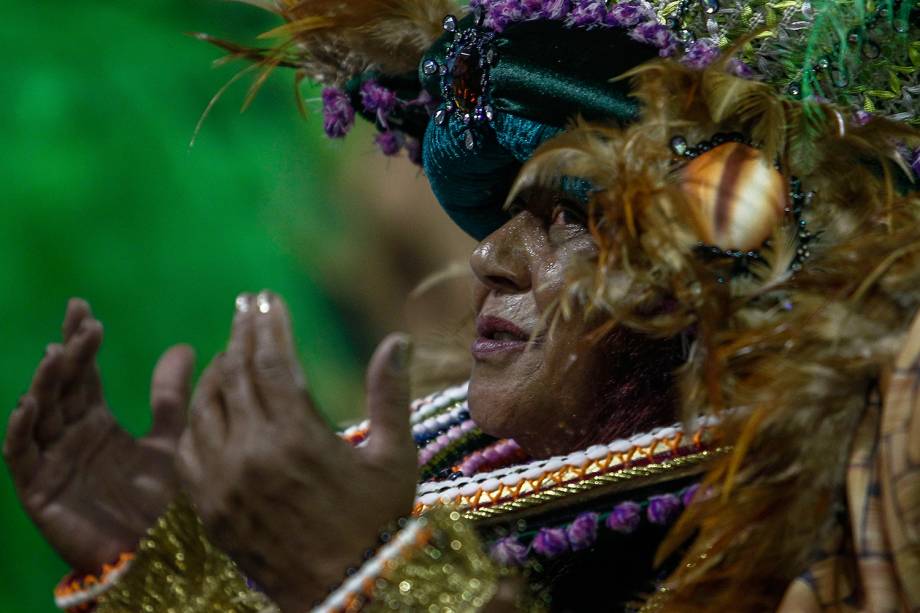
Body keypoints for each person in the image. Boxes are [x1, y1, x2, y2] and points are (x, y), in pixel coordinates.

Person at [6, 0, 920, 611]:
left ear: (746, 262)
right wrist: (168, 576)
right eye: (503, 212)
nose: (487, 256)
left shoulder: (852, 515)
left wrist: (377, 575)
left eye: (570, 215)